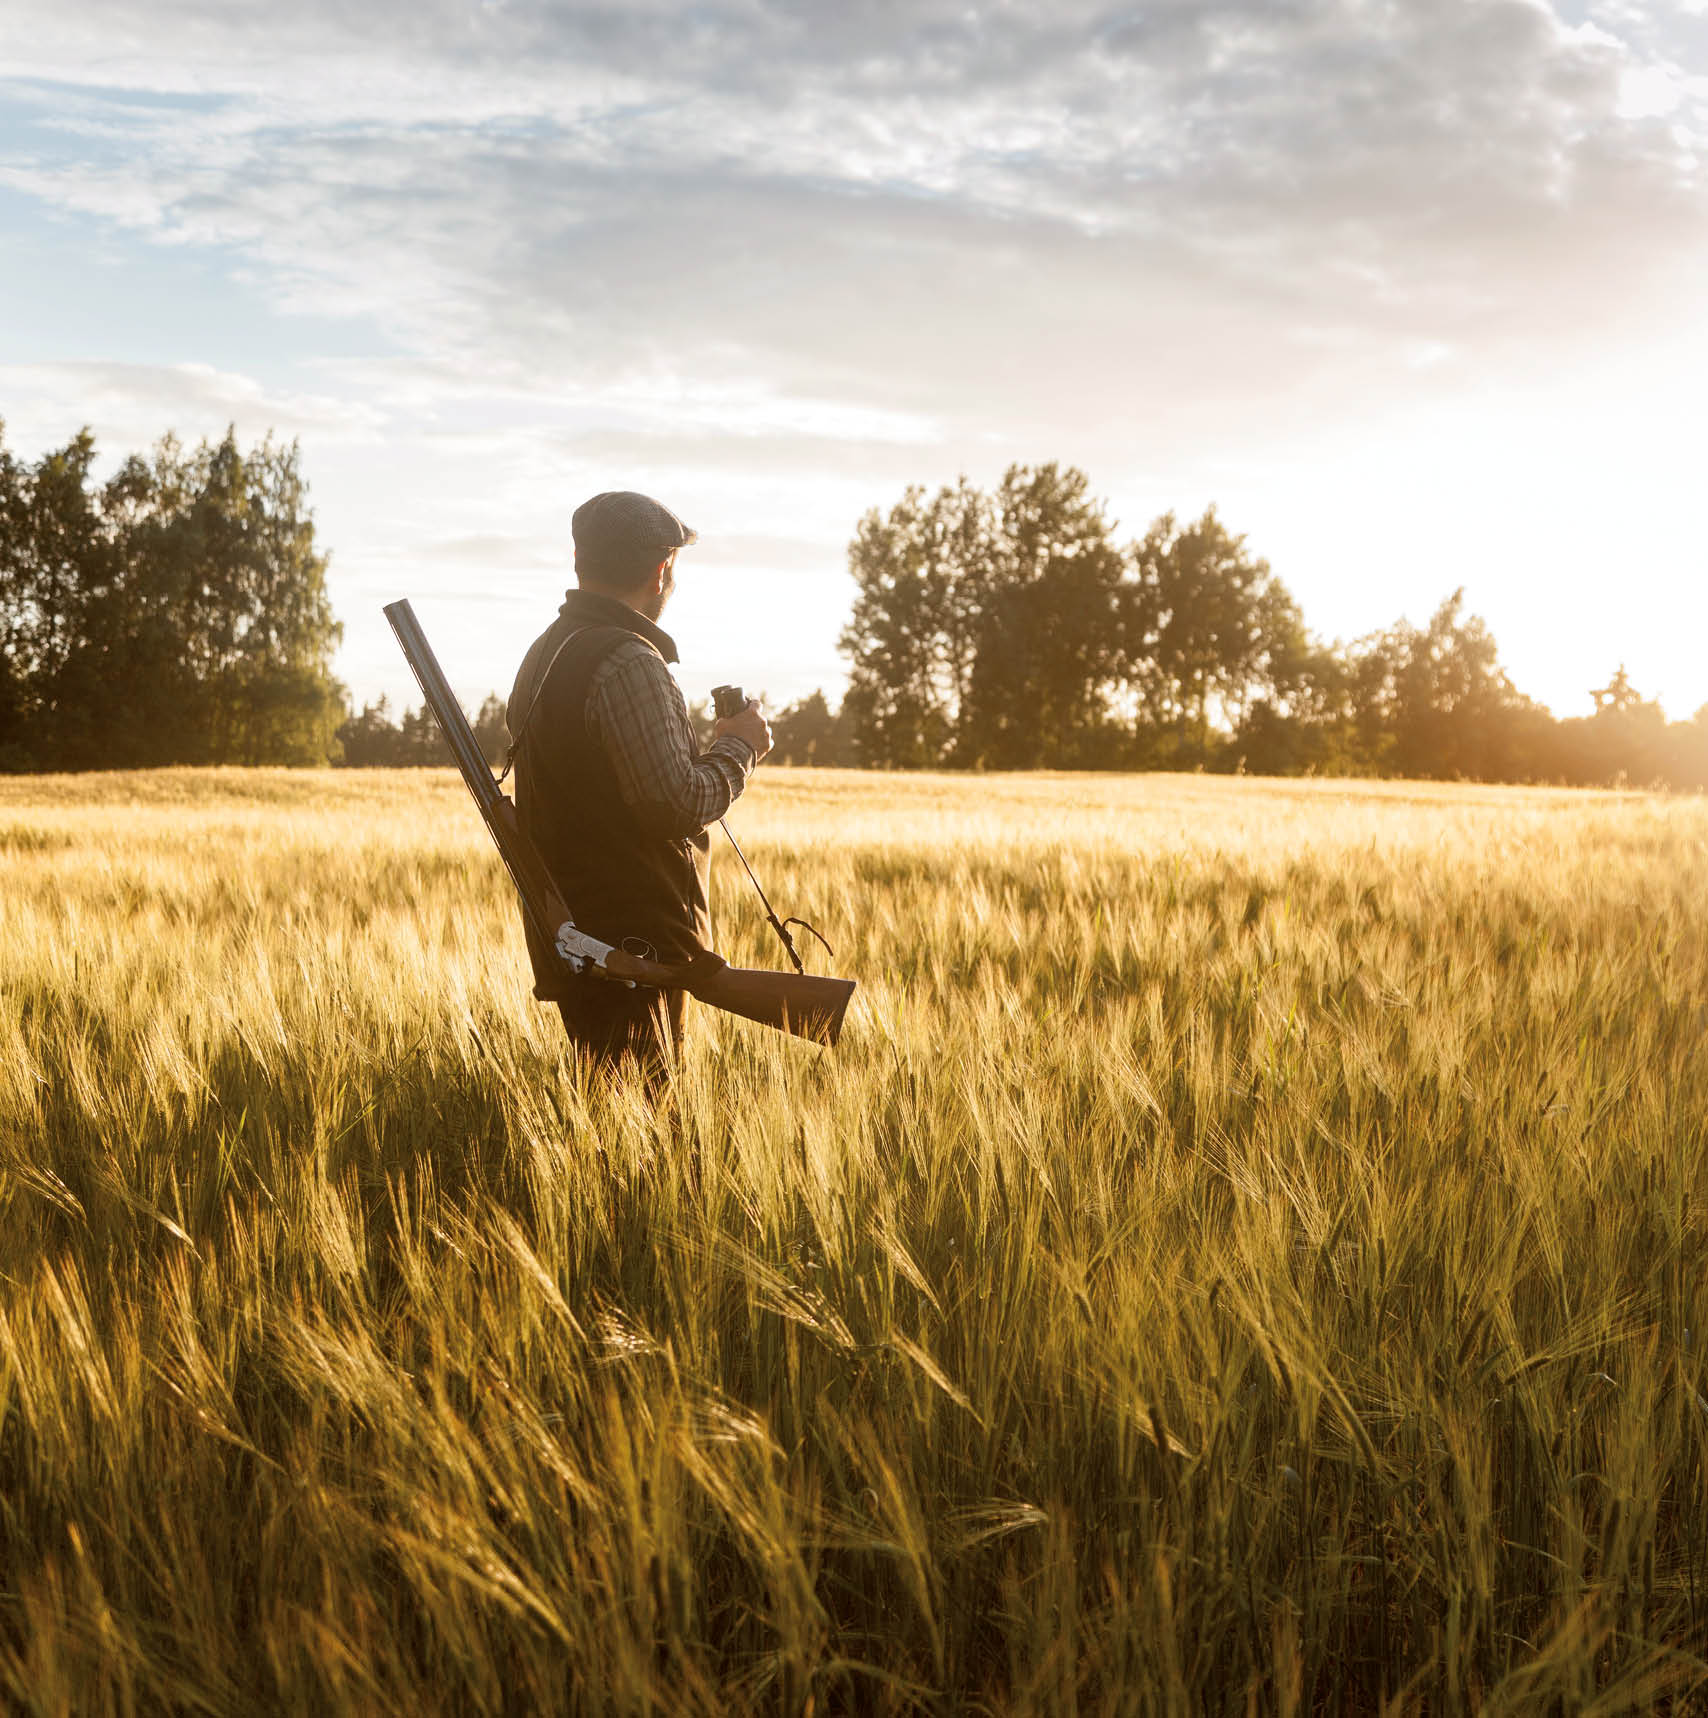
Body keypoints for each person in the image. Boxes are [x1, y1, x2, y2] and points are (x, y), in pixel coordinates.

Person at [506, 491, 772, 1076]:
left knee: (607, 1117)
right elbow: (677, 804)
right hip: (633, 951)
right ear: (662, 569)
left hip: (579, 938)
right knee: (646, 1137)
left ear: (581, 559)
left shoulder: (544, 653)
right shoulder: (630, 661)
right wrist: (739, 746)